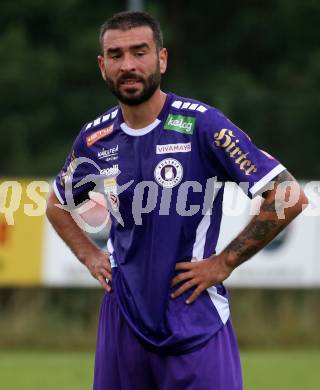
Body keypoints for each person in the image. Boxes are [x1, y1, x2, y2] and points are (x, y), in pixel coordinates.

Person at [46, 10, 308, 390]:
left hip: (193, 316)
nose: (128, 65)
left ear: (162, 59)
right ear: (103, 67)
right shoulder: (94, 138)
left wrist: (224, 262)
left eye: (140, 52)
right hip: (123, 321)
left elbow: (288, 196)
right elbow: (57, 204)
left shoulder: (203, 125)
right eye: (116, 56)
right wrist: (89, 256)